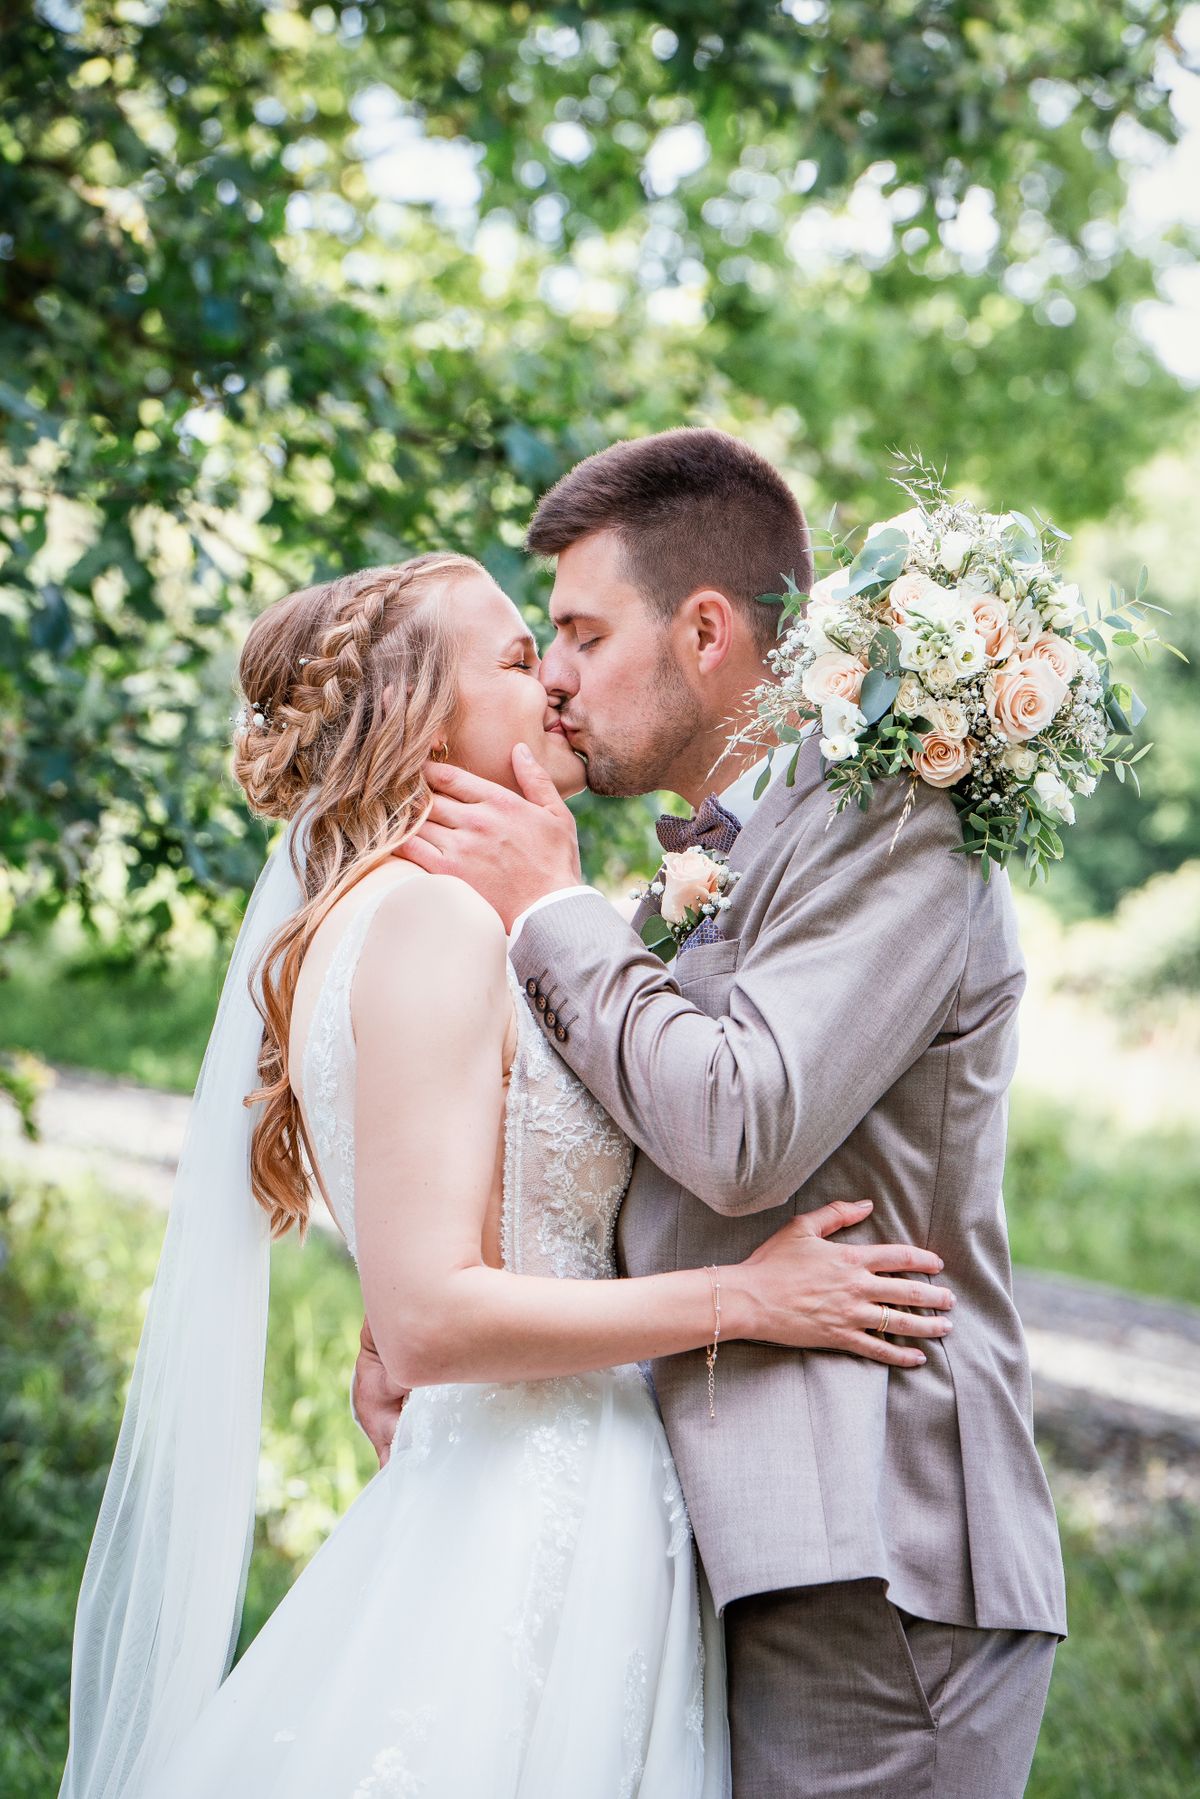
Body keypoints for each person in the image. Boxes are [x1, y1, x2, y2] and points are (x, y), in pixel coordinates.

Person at [58, 549, 955, 1799]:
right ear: (423, 717)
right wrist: (747, 1299)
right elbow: (430, 1317)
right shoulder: (430, 922)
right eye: (524, 660)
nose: (561, 685)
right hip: (535, 1507)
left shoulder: (414, 915)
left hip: (549, 1485)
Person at [365, 430, 1068, 1798]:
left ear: (704, 630)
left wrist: (553, 914)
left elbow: (742, 1126)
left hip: (881, 1548)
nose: (554, 675)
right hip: (737, 1533)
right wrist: (434, 1302)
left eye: (579, 629)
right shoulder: (710, 862)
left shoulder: (894, 821)